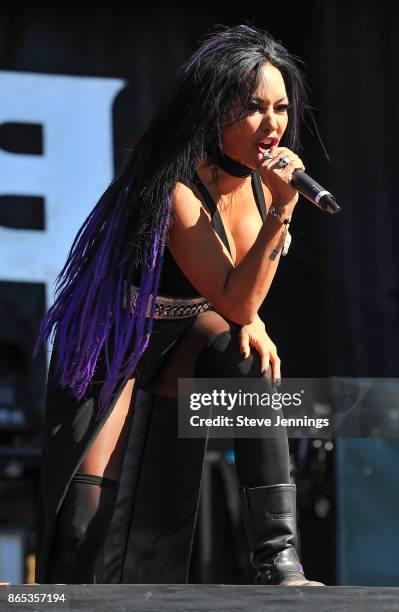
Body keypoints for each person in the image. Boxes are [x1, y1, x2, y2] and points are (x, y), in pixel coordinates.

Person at [33, 23, 325, 587]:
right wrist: (281, 218)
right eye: (254, 108)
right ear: (215, 110)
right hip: (114, 335)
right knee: (83, 528)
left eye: (281, 108)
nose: (272, 125)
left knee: (251, 362)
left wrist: (255, 316)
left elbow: (240, 296)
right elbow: (232, 292)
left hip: (186, 329)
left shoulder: (266, 184)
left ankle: (278, 559)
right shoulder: (177, 188)